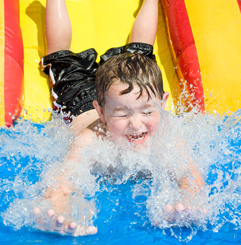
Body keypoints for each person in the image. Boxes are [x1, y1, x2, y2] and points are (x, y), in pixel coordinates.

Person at [34, 0, 205, 237]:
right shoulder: (91, 140)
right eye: (122, 115)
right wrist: (57, 210)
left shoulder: (166, 132)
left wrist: (190, 202)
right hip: (80, 100)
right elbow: (63, 179)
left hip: (122, 93)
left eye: (147, 111)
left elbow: (190, 174)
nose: (136, 124)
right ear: (102, 112)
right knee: (61, 57)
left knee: (142, 55)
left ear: (162, 103)